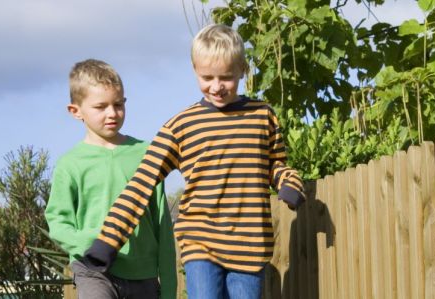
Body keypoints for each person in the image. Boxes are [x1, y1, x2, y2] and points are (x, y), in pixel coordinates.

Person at [83, 24, 305, 299]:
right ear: (194, 69)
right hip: (201, 241)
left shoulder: (262, 116)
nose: (216, 87)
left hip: (250, 244)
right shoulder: (182, 125)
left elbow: (275, 165)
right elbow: (141, 184)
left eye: (226, 77)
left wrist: (288, 181)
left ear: (242, 70)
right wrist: (108, 240)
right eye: (207, 77)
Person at [45, 59, 177, 299]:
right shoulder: (70, 164)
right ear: (76, 111)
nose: (112, 113)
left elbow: (162, 224)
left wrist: (169, 287)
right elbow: (57, 223)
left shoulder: (148, 153)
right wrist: (92, 241)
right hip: (92, 271)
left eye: (118, 104)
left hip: (143, 274)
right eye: (101, 106)